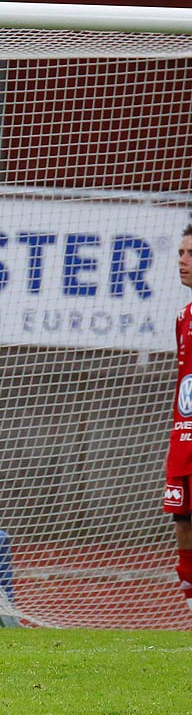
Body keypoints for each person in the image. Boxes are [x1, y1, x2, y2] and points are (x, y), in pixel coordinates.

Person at [163, 225, 192, 615]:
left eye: (191, 254)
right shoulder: (184, 316)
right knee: (183, 521)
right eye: (182, 253)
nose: (183, 262)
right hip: (184, 438)